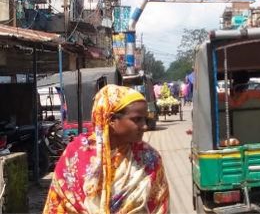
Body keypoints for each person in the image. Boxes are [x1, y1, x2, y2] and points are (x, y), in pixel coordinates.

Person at [43, 84, 169, 214]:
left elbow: (159, 204)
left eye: (145, 119)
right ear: (111, 120)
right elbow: (59, 203)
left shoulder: (149, 159)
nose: (144, 126)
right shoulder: (76, 154)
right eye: (137, 119)